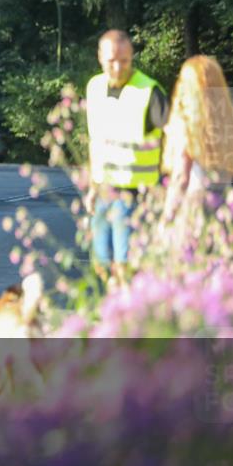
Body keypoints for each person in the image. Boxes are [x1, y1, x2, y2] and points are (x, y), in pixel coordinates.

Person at [83, 30, 169, 288]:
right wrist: (92, 187)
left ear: (132, 57)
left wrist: (168, 182)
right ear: (100, 57)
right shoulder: (94, 87)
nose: (118, 67)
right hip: (103, 192)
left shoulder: (149, 90)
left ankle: (128, 309)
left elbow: (174, 134)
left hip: (135, 194)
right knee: (101, 264)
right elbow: (96, 140)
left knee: (125, 267)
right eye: (112, 61)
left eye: (125, 61)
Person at [161, 55, 233, 225]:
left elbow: (181, 178)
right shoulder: (231, 124)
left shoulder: (186, 126)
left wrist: (165, 218)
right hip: (226, 207)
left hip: (194, 208)